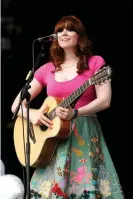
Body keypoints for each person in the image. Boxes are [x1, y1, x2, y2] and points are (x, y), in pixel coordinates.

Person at [11, 15, 125, 199]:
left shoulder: (95, 63)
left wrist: (76, 112)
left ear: (80, 36)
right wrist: (32, 116)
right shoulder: (47, 68)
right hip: (52, 141)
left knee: (85, 189)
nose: (63, 33)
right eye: (59, 30)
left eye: (69, 29)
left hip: (83, 133)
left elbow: (105, 101)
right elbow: (17, 104)